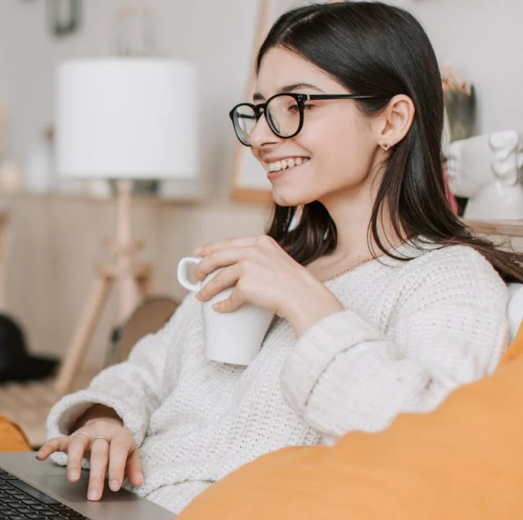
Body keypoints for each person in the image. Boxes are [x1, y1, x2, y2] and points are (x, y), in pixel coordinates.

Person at [36, 1, 523, 514]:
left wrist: (306, 303)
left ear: (392, 121)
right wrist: (107, 420)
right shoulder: (274, 258)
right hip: (115, 499)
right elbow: (144, 371)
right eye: (261, 109)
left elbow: (431, 443)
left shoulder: (447, 279)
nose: (264, 137)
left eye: (297, 105)